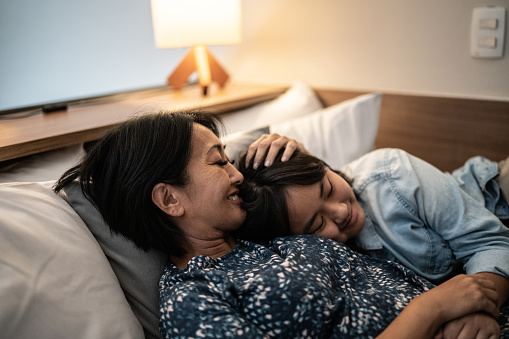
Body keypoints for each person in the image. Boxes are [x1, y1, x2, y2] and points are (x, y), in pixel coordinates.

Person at [54, 112, 503, 338]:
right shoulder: (193, 299)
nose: (236, 175)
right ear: (170, 199)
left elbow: (301, 195)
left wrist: (303, 158)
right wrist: (431, 312)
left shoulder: (257, 236)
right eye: (218, 162)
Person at [236, 133, 509, 338]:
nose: (341, 211)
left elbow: (491, 242)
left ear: (326, 166)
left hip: (495, 195)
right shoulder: (308, 260)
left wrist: (481, 308)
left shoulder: (390, 174)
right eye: (318, 224)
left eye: (329, 188)